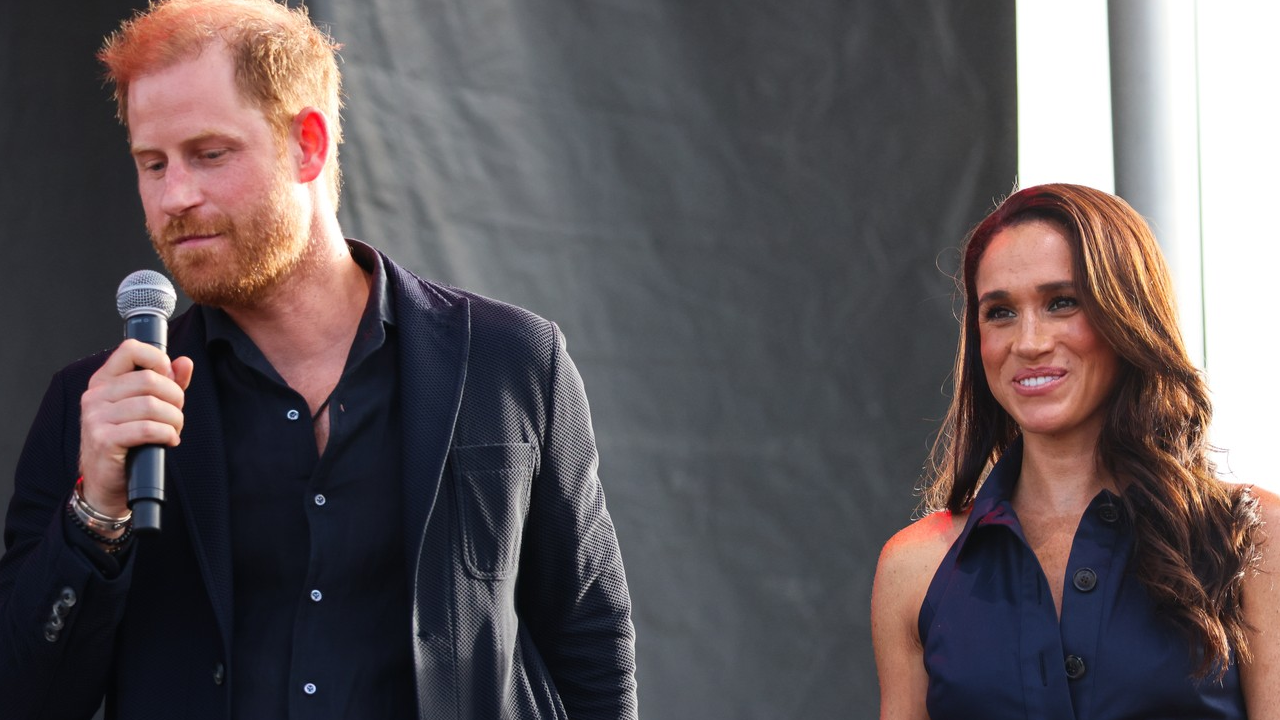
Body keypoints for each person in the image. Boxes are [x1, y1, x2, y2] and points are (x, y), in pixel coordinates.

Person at [0, 1, 638, 717]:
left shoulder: (508, 361)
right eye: (153, 163)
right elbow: (24, 696)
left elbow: (590, 639)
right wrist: (95, 514)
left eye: (210, 154)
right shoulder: (93, 409)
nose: (175, 196)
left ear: (307, 145)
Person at [871, 183, 1279, 719]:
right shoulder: (915, 568)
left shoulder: (1255, 538)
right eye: (1000, 312)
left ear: (1129, 315)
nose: (1029, 342)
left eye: (1062, 303)